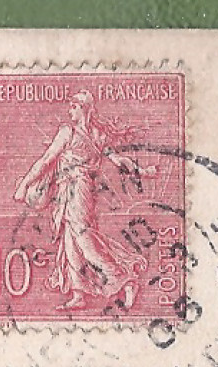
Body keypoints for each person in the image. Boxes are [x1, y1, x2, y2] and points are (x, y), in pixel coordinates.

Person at [11, 88, 150, 311]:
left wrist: (23, 184)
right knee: (70, 242)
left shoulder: (70, 132)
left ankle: (124, 279)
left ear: (83, 108)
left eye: (73, 106)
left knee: (85, 242)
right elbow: (118, 160)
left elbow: (47, 160)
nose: (69, 110)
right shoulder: (98, 134)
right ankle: (79, 294)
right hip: (70, 192)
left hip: (79, 191)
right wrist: (142, 171)